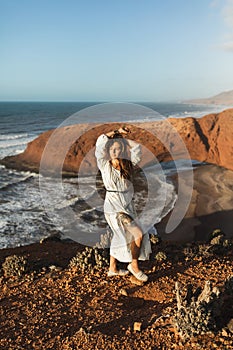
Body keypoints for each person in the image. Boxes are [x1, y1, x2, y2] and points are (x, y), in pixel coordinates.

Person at [95, 126, 151, 282]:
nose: (115, 152)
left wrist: (123, 140)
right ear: (108, 151)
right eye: (113, 149)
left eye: (118, 149)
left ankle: (112, 268)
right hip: (114, 208)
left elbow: (137, 148)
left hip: (126, 206)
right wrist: (116, 132)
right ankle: (134, 265)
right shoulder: (104, 165)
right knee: (137, 234)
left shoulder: (128, 164)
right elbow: (100, 142)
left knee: (119, 236)